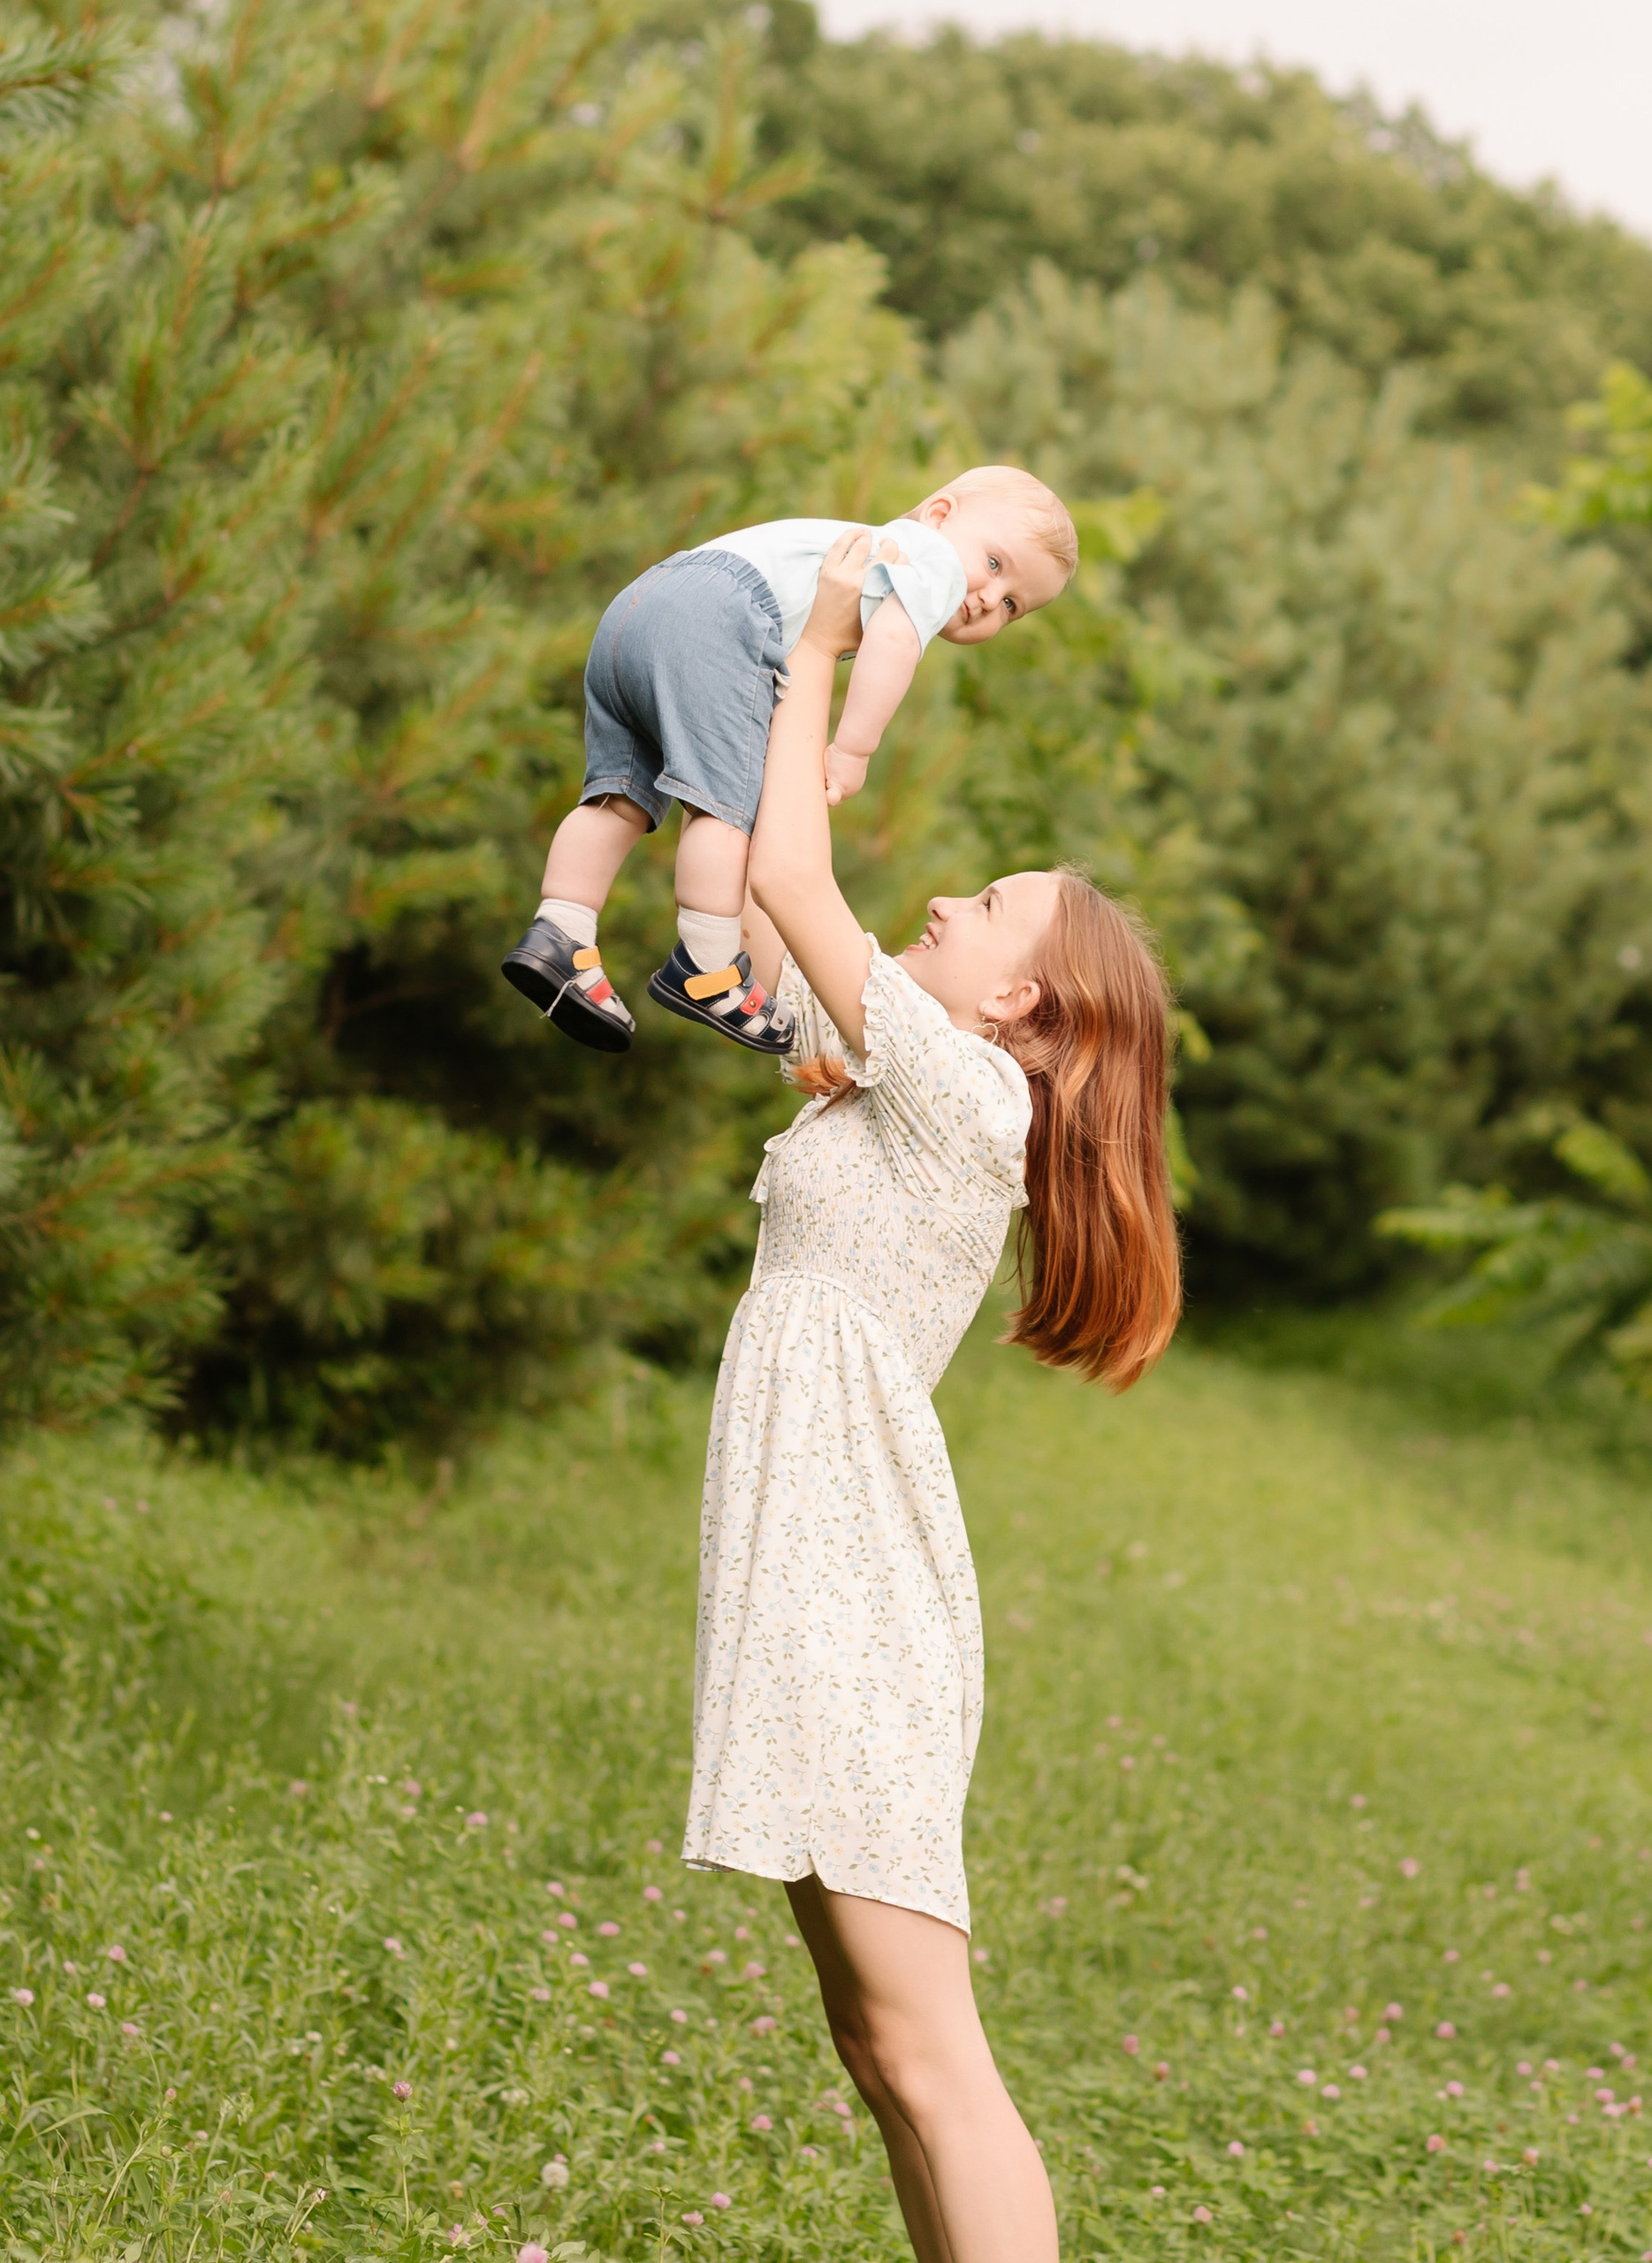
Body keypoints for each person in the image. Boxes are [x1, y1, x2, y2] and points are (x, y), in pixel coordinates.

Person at [687, 530, 1181, 2263]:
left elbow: (807, 888)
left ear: (1015, 999)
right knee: (877, 2041)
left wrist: (826, 646)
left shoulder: (965, 1094)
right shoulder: (909, 1077)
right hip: (818, 1567)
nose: (950, 902)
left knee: (924, 2044)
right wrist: (740, 684)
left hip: (853, 1591)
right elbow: (755, 892)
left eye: (988, 906)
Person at [499, 468, 1077, 1056]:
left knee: (617, 800)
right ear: (939, 516)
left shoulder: (866, 552)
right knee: (727, 807)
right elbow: (895, 646)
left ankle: (561, 932)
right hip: (719, 616)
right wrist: (853, 750)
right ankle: (707, 966)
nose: (986, 600)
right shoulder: (927, 558)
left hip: (639, 608)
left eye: (1011, 605)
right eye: (996, 565)